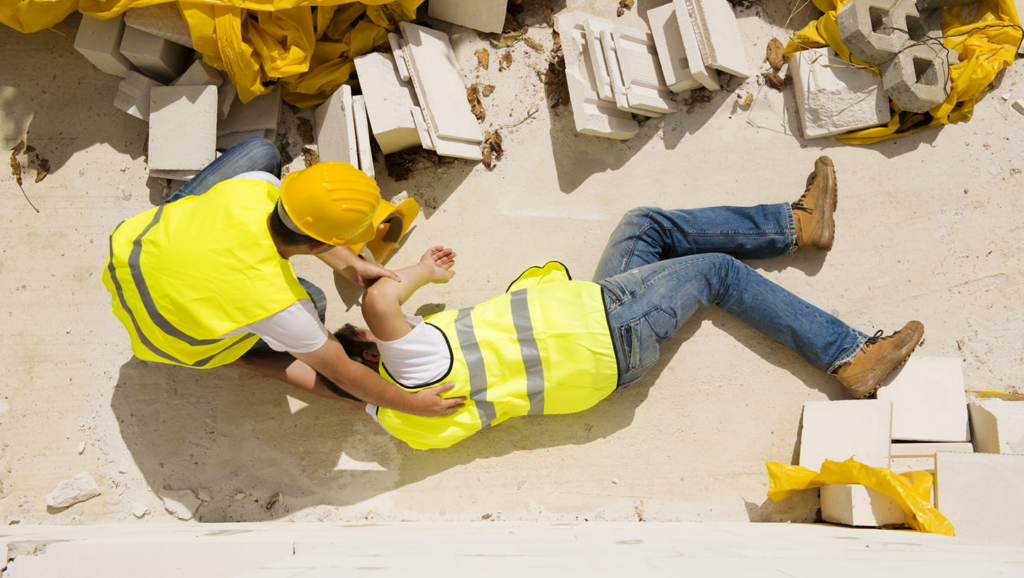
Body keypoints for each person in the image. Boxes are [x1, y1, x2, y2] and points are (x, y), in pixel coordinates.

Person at [241, 156, 925, 450]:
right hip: (607, 328)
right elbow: (383, 302)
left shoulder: (394, 417)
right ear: (371, 350)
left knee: (643, 226)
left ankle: (798, 225)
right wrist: (420, 269)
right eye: (366, 336)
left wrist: (243, 358)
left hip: (596, 344)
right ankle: (848, 355)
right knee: (716, 272)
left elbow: (317, 380)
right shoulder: (412, 362)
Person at [102, 137, 465, 418]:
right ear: (319, 243)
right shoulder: (282, 305)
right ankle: (234, 352)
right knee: (316, 302)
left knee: (261, 152)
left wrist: (350, 265)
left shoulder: (255, 186)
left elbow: (301, 226)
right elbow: (343, 375)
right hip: (168, 338)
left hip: (130, 255)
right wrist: (413, 404)